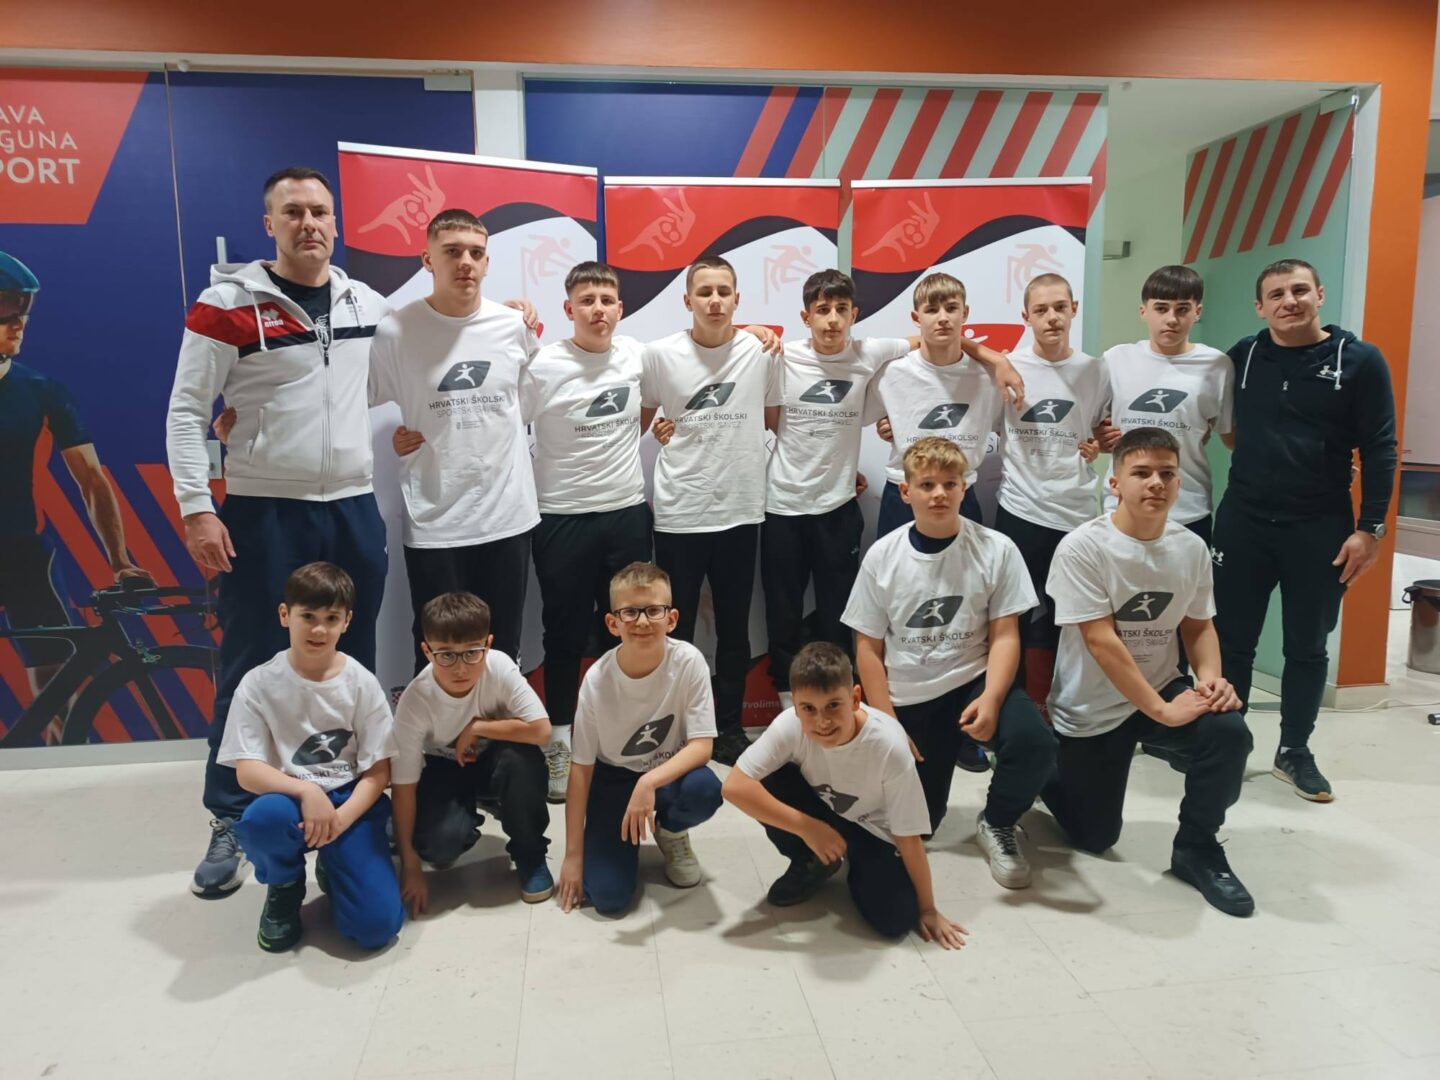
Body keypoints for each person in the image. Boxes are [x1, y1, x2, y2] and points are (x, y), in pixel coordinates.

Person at [167, 166, 391, 899]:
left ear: (336, 221)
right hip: (264, 509)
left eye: (320, 211)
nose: (309, 223)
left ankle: (356, 808)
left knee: (353, 663)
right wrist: (197, 506)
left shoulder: (367, 302)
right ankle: (232, 815)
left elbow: (423, 354)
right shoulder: (226, 304)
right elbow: (187, 410)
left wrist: (512, 313)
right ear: (269, 224)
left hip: (352, 506)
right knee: (250, 663)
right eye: (292, 212)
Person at [1041, 427, 1255, 917]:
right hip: (1093, 703)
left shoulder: (1190, 548)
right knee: (1095, 837)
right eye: (1141, 473)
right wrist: (1161, 710)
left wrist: (1210, 680)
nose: (1156, 483)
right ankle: (1043, 768)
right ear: (1115, 483)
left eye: (1167, 474)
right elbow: (1101, 641)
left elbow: (1198, 626)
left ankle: (1197, 848)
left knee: (1228, 733)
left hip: (1160, 686)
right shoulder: (1082, 547)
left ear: (1179, 484)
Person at [1213, 258, 1397, 802]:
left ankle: (1294, 750)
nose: (1288, 301)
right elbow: (1225, 426)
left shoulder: (1359, 360)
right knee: (1231, 642)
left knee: (1307, 646)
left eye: (1298, 290)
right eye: (1276, 294)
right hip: (1244, 519)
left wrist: (1370, 529)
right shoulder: (1243, 357)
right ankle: (1227, 745)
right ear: (1260, 307)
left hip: (1320, 526)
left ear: (1319, 294)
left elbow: (1381, 448)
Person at [842, 436, 1056, 889]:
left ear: (965, 488)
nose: (939, 494)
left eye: (950, 484)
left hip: (973, 681)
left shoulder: (997, 548)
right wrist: (888, 723)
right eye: (927, 485)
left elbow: (1006, 635)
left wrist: (993, 698)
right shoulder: (883, 556)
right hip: (910, 695)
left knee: (1034, 741)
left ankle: (997, 822)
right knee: (921, 826)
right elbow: (867, 649)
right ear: (906, 491)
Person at [370, 208, 538, 669]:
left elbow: (528, 406)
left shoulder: (512, 326)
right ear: (428, 260)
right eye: (452, 252)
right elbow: (350, 399)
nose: (465, 262)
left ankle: (498, 720)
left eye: (476, 253)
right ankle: (438, 722)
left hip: (507, 516)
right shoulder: (396, 331)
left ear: (487, 263)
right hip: (435, 521)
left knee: (500, 650)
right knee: (437, 650)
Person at [723, 642, 969, 947]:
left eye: (833, 706)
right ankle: (812, 860)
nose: (822, 721)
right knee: (765, 777)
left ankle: (856, 863)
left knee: (896, 920)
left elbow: (909, 837)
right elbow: (733, 787)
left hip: (873, 829)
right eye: (808, 709)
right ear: (795, 706)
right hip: (823, 812)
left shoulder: (888, 745)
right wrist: (808, 828)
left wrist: (928, 908)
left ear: (854, 698)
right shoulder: (788, 725)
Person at [0, 250, 153, 737]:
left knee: (56, 691)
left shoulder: (44, 391)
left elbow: (91, 480)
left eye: (25, 307)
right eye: (7, 305)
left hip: (26, 557)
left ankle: (65, 775)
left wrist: (120, 560)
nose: (20, 321)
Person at [218, 562, 404, 952]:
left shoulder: (361, 683)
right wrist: (306, 792)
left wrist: (340, 819)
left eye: (331, 618)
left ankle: (335, 864)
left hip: (350, 801)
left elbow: (378, 770)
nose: (319, 630)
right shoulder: (258, 683)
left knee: (376, 929)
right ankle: (284, 884)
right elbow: (247, 770)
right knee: (262, 820)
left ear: (347, 622)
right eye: (308, 617)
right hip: (289, 798)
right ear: (285, 615)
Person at [521, 262, 655, 803]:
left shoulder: (636, 355)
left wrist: (755, 331)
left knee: (630, 631)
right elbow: (500, 422)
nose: (598, 309)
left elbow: (695, 357)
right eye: (587, 300)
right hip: (562, 517)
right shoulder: (543, 365)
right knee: (565, 634)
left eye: (606, 300)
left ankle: (624, 736)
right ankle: (559, 740)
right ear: (569, 309)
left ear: (620, 308)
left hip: (626, 512)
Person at [640, 254, 779, 766]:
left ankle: (728, 728)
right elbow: (638, 422)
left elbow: (778, 422)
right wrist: (662, 432)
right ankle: (677, 727)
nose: (715, 300)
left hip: (741, 510)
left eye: (724, 291)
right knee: (673, 629)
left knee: (735, 630)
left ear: (738, 299)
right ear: (688, 300)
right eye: (705, 292)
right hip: (680, 512)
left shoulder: (761, 352)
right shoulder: (660, 355)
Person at [762, 269, 910, 710]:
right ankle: (788, 699)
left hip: (839, 508)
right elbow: (731, 347)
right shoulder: (782, 357)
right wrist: (753, 331)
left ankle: (838, 697)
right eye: (822, 310)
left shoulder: (869, 353)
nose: (832, 319)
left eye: (841, 310)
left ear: (854, 314)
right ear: (806, 317)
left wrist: (995, 359)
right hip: (783, 507)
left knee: (839, 612)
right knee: (783, 612)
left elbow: (930, 342)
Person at [555, 562, 723, 915]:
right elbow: (581, 770)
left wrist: (648, 782)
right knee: (608, 898)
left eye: (653, 611)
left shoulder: (689, 662)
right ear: (612, 623)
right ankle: (616, 841)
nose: (642, 622)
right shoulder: (597, 681)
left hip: (665, 773)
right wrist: (572, 855)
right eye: (629, 612)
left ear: (671, 619)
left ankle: (671, 831)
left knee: (706, 789)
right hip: (613, 777)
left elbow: (702, 746)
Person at [390, 592, 554, 913]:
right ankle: (465, 816)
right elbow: (403, 787)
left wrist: (479, 727)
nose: (460, 667)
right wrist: (410, 865)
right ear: (427, 651)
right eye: (446, 655)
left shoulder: (500, 667)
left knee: (522, 761)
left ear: (488, 645)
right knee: (438, 848)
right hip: (444, 766)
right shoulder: (415, 699)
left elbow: (542, 730)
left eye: (472, 653)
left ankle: (530, 854)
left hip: (495, 758)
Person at [993, 273, 1109, 709]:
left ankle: (1071, 711)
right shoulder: (1008, 367)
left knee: (1074, 620)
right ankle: (1015, 710)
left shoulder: (1096, 371)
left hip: (1076, 514)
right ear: (1026, 316)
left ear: (1074, 309)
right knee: (1014, 619)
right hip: (1019, 510)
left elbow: (1101, 430)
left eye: (1060, 307)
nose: (1052, 317)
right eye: (1041, 310)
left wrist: (1099, 443)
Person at [1097, 265, 1233, 545]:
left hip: (1188, 510)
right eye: (1161, 308)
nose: (1171, 319)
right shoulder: (1116, 359)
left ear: (1197, 312)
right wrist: (1099, 439)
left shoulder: (1217, 365)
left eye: (1182, 309)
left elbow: (1231, 438)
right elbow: (1091, 426)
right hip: (1121, 507)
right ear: (1143, 311)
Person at [868, 273, 1007, 538]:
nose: (943, 318)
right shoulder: (891, 372)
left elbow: (1013, 431)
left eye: (951, 308)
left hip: (961, 493)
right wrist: (886, 424)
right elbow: (853, 418)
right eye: (932, 310)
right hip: (903, 493)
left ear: (965, 313)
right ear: (916, 317)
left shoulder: (989, 376)